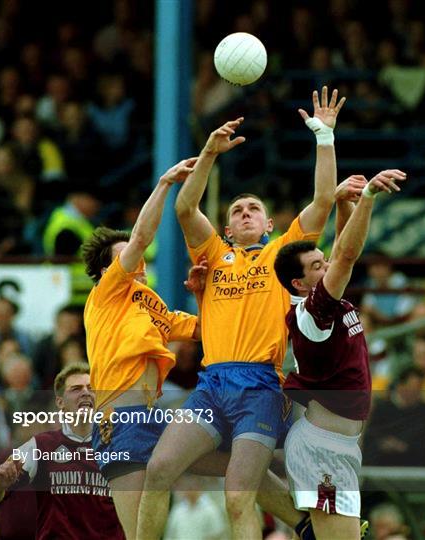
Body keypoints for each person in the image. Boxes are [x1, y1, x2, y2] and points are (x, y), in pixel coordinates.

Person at [138, 86, 346, 539]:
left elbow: (325, 200)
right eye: (238, 209)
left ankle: (302, 523)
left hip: (260, 384)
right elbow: (185, 206)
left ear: (269, 225)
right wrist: (209, 153)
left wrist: (324, 138)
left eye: (255, 208)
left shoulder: (281, 253)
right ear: (228, 227)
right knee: (158, 469)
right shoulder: (213, 254)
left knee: (238, 495)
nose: (246, 212)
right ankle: (304, 525)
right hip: (212, 384)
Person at [82, 158, 313, 540]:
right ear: (108, 271)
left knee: (236, 469)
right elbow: (141, 238)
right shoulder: (106, 293)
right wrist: (163, 185)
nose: (134, 261)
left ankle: (304, 524)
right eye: (123, 258)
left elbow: (210, 328)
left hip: (152, 413)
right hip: (119, 422)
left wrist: (207, 292)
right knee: (138, 532)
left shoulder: (148, 302)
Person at [273, 169, 406, 539]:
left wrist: (344, 205)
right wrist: (367, 200)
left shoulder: (324, 301)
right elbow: (346, 255)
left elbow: (340, 253)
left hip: (340, 446)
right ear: (299, 284)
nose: (327, 265)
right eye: (317, 266)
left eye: (323, 260)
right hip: (322, 450)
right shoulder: (313, 311)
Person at [0, 363, 125, 539]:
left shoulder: (118, 447)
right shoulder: (41, 445)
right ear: (60, 402)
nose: (86, 393)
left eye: (91, 388)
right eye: (76, 389)